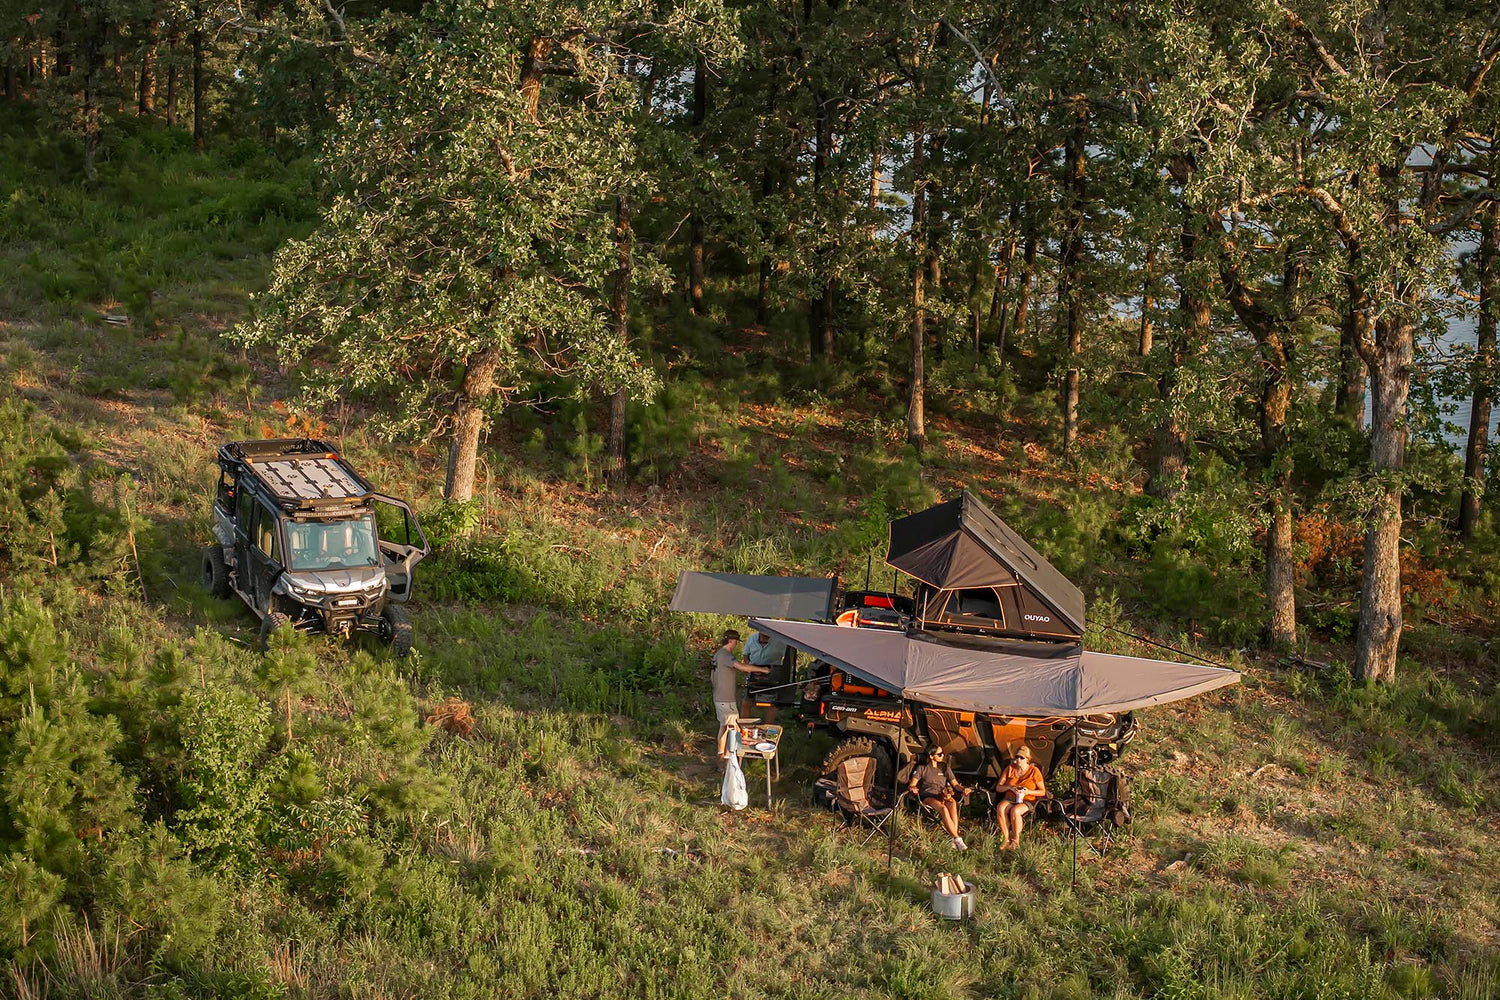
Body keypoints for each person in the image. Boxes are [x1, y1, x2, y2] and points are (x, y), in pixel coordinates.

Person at [907, 746, 970, 852]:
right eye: (939, 754)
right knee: (944, 809)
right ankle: (957, 838)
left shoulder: (944, 767)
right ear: (931, 756)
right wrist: (913, 788)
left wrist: (963, 789)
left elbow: (955, 784)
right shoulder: (922, 768)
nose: (942, 756)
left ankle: (953, 838)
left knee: (953, 804)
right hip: (927, 796)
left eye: (942, 753)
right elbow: (912, 784)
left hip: (941, 795)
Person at [994, 744, 1047, 850]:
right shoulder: (1010, 769)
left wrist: (1028, 791)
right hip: (1010, 797)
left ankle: (1016, 840)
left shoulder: (1034, 771)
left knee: (1015, 811)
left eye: (1021, 757)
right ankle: (1005, 839)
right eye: (1016, 757)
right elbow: (998, 788)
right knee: (1001, 808)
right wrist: (1010, 787)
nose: (1018, 759)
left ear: (1027, 759)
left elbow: (1042, 791)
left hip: (1027, 799)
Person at [712, 629, 769, 726]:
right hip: (726, 700)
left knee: (724, 727)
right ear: (731, 641)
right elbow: (742, 667)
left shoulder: (717, 655)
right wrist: (763, 669)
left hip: (719, 697)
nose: (736, 644)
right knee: (733, 728)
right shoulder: (726, 655)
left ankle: (722, 742)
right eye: (736, 641)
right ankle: (734, 742)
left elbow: (711, 677)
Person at [741, 626, 787, 719]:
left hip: (771, 672)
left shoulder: (779, 641)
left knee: (772, 703)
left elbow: (786, 657)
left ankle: (768, 728)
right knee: (746, 701)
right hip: (754, 671)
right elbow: (745, 654)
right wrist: (748, 667)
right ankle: (744, 725)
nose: (767, 637)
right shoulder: (752, 638)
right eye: (764, 634)